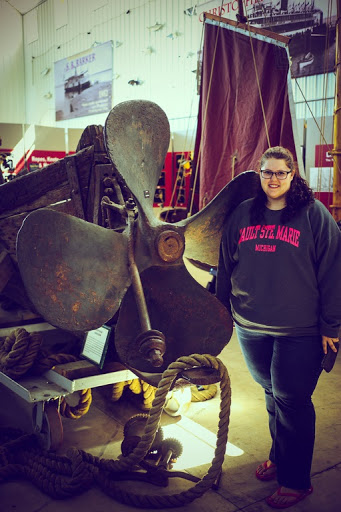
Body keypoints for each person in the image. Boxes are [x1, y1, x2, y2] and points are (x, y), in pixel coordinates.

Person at [216, 146, 341, 509]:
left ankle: (296, 479)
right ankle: (279, 454)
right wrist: (221, 313)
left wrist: (332, 325)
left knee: (292, 400)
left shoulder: (313, 216)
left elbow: (334, 273)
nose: (273, 179)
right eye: (267, 173)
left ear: (292, 175)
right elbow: (226, 266)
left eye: (281, 173)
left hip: (298, 329)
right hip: (251, 325)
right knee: (271, 393)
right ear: (259, 175)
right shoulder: (243, 215)